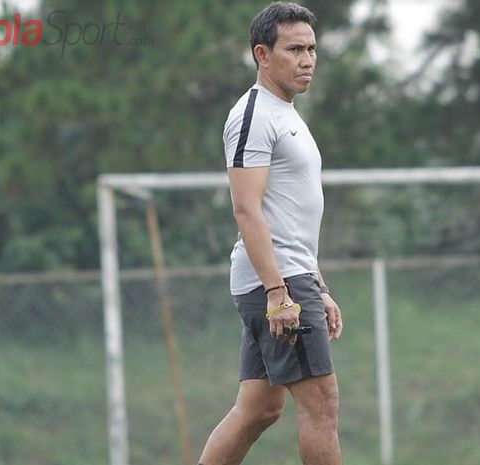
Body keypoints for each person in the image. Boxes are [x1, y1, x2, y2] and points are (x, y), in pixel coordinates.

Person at [197, 2, 343, 465]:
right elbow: (247, 207)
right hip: (274, 282)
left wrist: (318, 285)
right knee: (322, 405)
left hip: (290, 277)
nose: (308, 59)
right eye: (295, 48)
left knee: (258, 409)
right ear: (263, 54)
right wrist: (280, 291)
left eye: (312, 48)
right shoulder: (253, 114)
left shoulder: (287, 113)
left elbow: (291, 214)